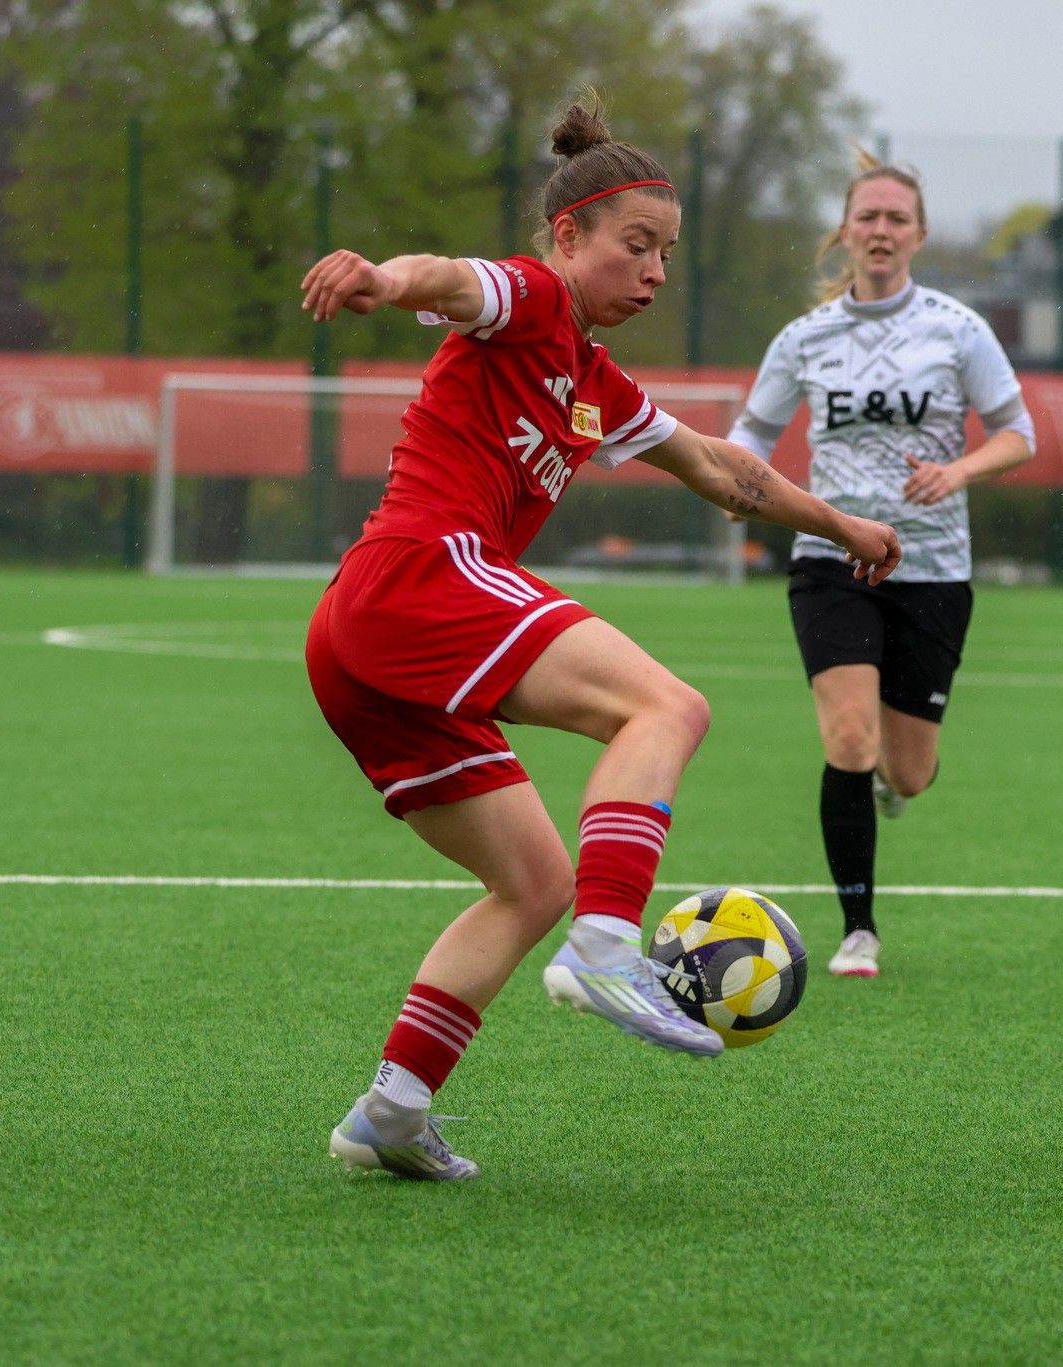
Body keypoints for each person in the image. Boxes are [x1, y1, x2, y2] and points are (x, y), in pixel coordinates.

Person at [298, 98, 901, 1181]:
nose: (655, 272)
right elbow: (450, 277)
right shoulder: (528, 299)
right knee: (666, 707)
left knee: (531, 881)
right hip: (418, 577)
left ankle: (390, 1108)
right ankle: (609, 946)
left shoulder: (590, 379)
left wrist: (842, 523)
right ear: (568, 236)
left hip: (362, 639)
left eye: (667, 254)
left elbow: (725, 469)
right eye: (637, 246)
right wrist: (387, 280)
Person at [725, 156, 1035, 979]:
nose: (882, 231)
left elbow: (1017, 431)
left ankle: (893, 786)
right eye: (868, 217)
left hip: (933, 569)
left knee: (909, 770)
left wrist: (959, 471)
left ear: (919, 235)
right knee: (849, 735)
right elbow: (751, 434)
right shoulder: (804, 337)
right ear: (845, 231)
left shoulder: (958, 328)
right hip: (833, 557)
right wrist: (738, 484)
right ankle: (857, 927)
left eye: (897, 219)